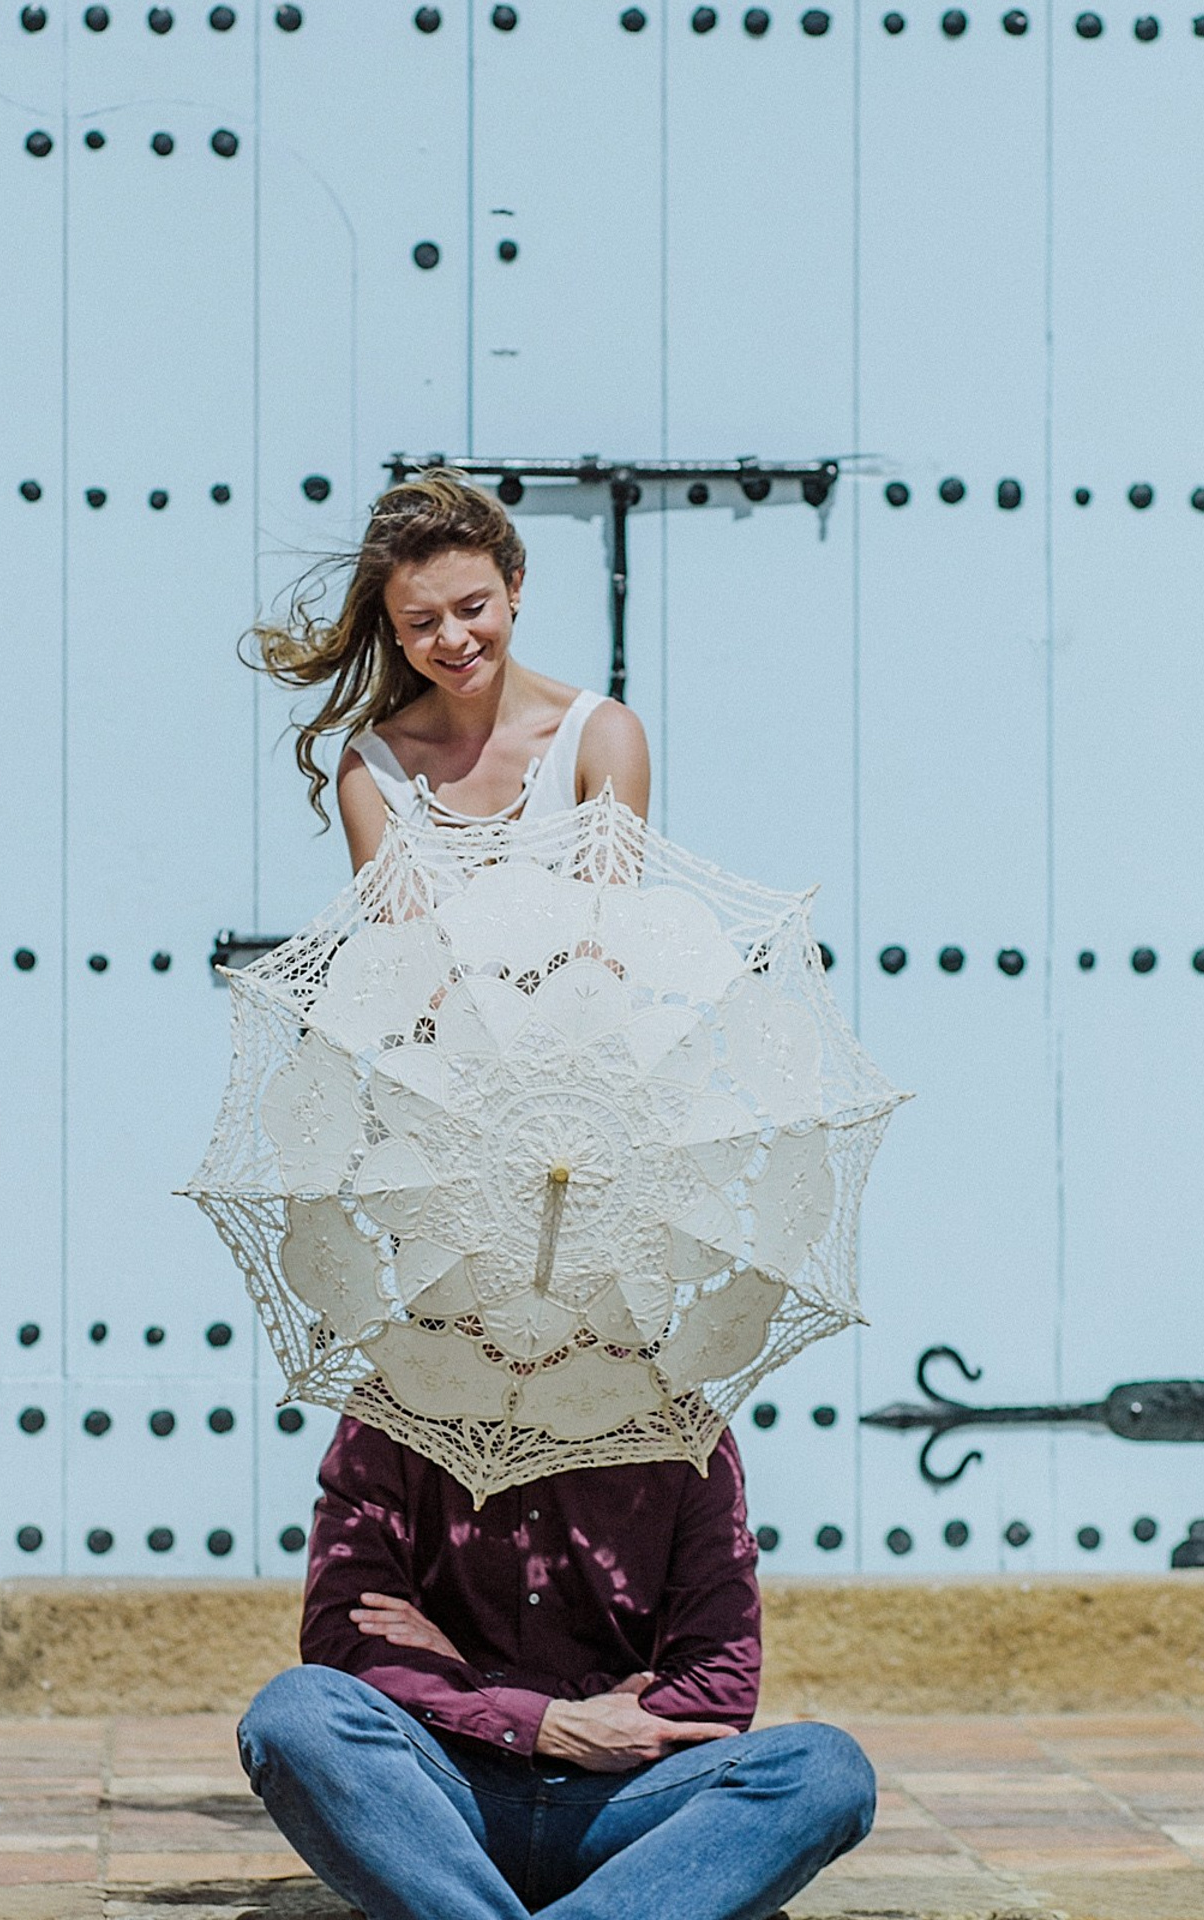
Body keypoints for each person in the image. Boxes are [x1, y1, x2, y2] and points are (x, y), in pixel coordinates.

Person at [236, 470, 876, 1920]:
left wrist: (470, 1682)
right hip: (452, 1100)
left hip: (588, 1085)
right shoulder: (369, 764)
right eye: (420, 622)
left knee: (822, 1770)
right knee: (299, 1719)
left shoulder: (604, 737)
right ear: (390, 630)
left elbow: (609, 944)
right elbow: (404, 967)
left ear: (515, 587)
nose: (452, 637)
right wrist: (535, 1719)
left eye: (472, 606)